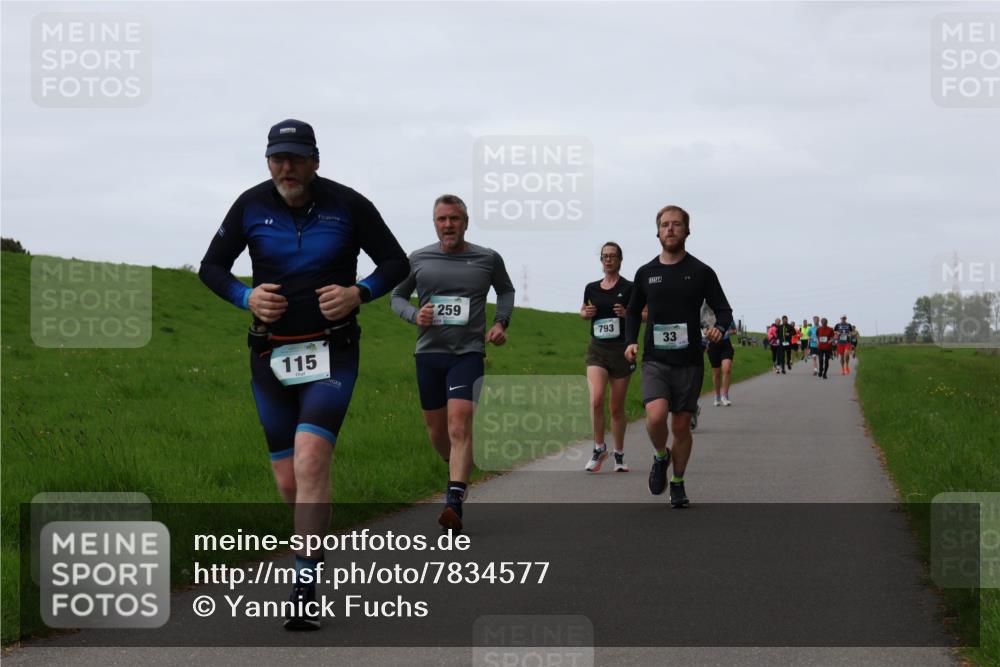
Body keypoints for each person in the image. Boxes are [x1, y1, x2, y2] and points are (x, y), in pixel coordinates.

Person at [199, 119, 409, 630]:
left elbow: (396, 263)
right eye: (277, 158)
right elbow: (211, 268)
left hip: (332, 354)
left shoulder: (348, 205)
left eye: (295, 157)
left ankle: (304, 586)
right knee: (290, 479)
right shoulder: (249, 205)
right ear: (267, 160)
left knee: (313, 459)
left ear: (315, 159)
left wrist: (358, 293)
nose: (286, 167)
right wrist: (246, 296)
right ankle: (311, 539)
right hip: (270, 355)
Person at [390, 194, 514, 533]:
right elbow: (396, 297)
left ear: (465, 222)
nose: (448, 225)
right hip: (429, 354)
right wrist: (417, 315)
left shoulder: (487, 258)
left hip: (468, 352)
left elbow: (505, 290)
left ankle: (454, 500)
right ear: (435, 223)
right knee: (438, 431)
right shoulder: (418, 259)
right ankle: (454, 468)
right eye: (442, 219)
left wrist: (501, 322)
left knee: (460, 424)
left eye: (455, 219)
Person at [625, 205, 733, 509]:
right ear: (657, 232)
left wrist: (718, 328)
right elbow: (633, 310)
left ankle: (678, 482)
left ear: (687, 231)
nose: (670, 229)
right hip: (655, 359)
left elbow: (724, 309)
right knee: (656, 416)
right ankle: (661, 457)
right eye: (664, 225)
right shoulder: (646, 273)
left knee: (682, 427)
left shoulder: (701, 272)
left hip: (689, 361)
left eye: (676, 224)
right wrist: (631, 341)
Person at [580, 242, 635, 472]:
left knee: (616, 408)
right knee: (596, 400)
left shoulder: (630, 287)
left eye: (613, 256)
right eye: (605, 256)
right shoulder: (591, 288)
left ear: (620, 260)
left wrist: (628, 313)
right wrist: (586, 313)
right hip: (598, 350)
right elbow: (583, 311)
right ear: (601, 260)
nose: (608, 260)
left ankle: (619, 454)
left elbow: (646, 313)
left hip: (621, 351)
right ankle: (599, 447)